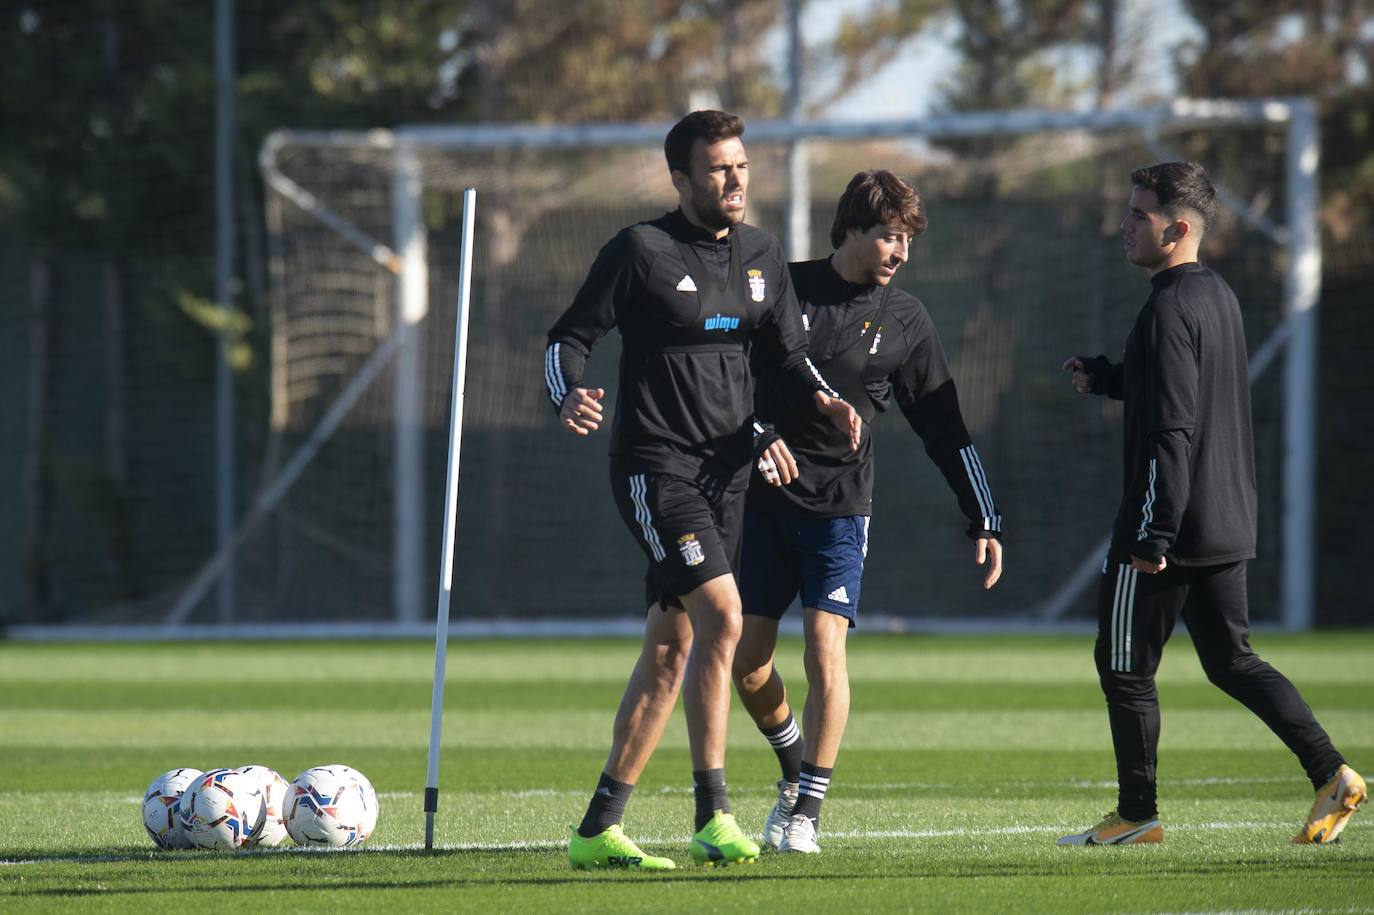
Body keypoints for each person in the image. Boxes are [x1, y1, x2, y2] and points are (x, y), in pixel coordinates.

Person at [544, 110, 861, 870]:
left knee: (669, 649)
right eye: (718, 168)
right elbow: (569, 336)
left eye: (742, 165)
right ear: (680, 180)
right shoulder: (640, 251)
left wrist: (822, 400)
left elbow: (787, 356)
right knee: (723, 615)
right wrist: (568, 392)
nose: (736, 179)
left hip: (728, 477)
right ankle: (713, 813)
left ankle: (596, 830)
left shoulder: (761, 254)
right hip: (656, 469)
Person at [1058, 161, 1365, 847]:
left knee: (1124, 663)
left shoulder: (1168, 305)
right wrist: (1110, 377)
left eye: (1139, 215)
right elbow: (1180, 391)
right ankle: (1333, 771)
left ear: (1179, 226)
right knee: (1233, 661)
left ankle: (1137, 814)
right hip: (1225, 519)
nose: (1125, 225)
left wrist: (1153, 532)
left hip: (1169, 526)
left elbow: (1174, 426)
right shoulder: (1213, 294)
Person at [730, 169, 1005, 855]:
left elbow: (943, 425)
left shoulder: (907, 319)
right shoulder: (781, 287)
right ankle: (794, 771)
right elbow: (723, 377)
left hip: (841, 509)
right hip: (762, 503)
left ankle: (807, 813)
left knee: (826, 648)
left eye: (909, 239)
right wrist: (753, 437)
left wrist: (984, 514)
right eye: (889, 235)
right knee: (748, 664)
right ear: (850, 229)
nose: (901, 251)